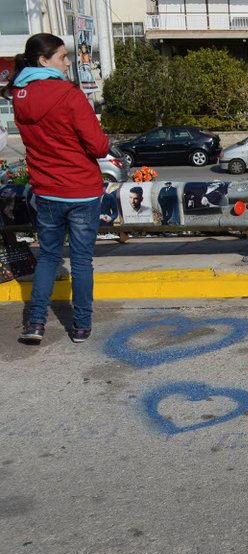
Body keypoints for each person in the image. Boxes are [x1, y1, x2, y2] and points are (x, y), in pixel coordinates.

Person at [2, 33, 110, 345]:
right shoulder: (69, 95)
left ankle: (35, 324)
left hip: (46, 192)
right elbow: (98, 145)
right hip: (81, 190)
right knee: (80, 262)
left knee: (48, 256)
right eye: (63, 57)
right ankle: (80, 326)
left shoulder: (20, 96)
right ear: (43, 59)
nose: (67, 63)